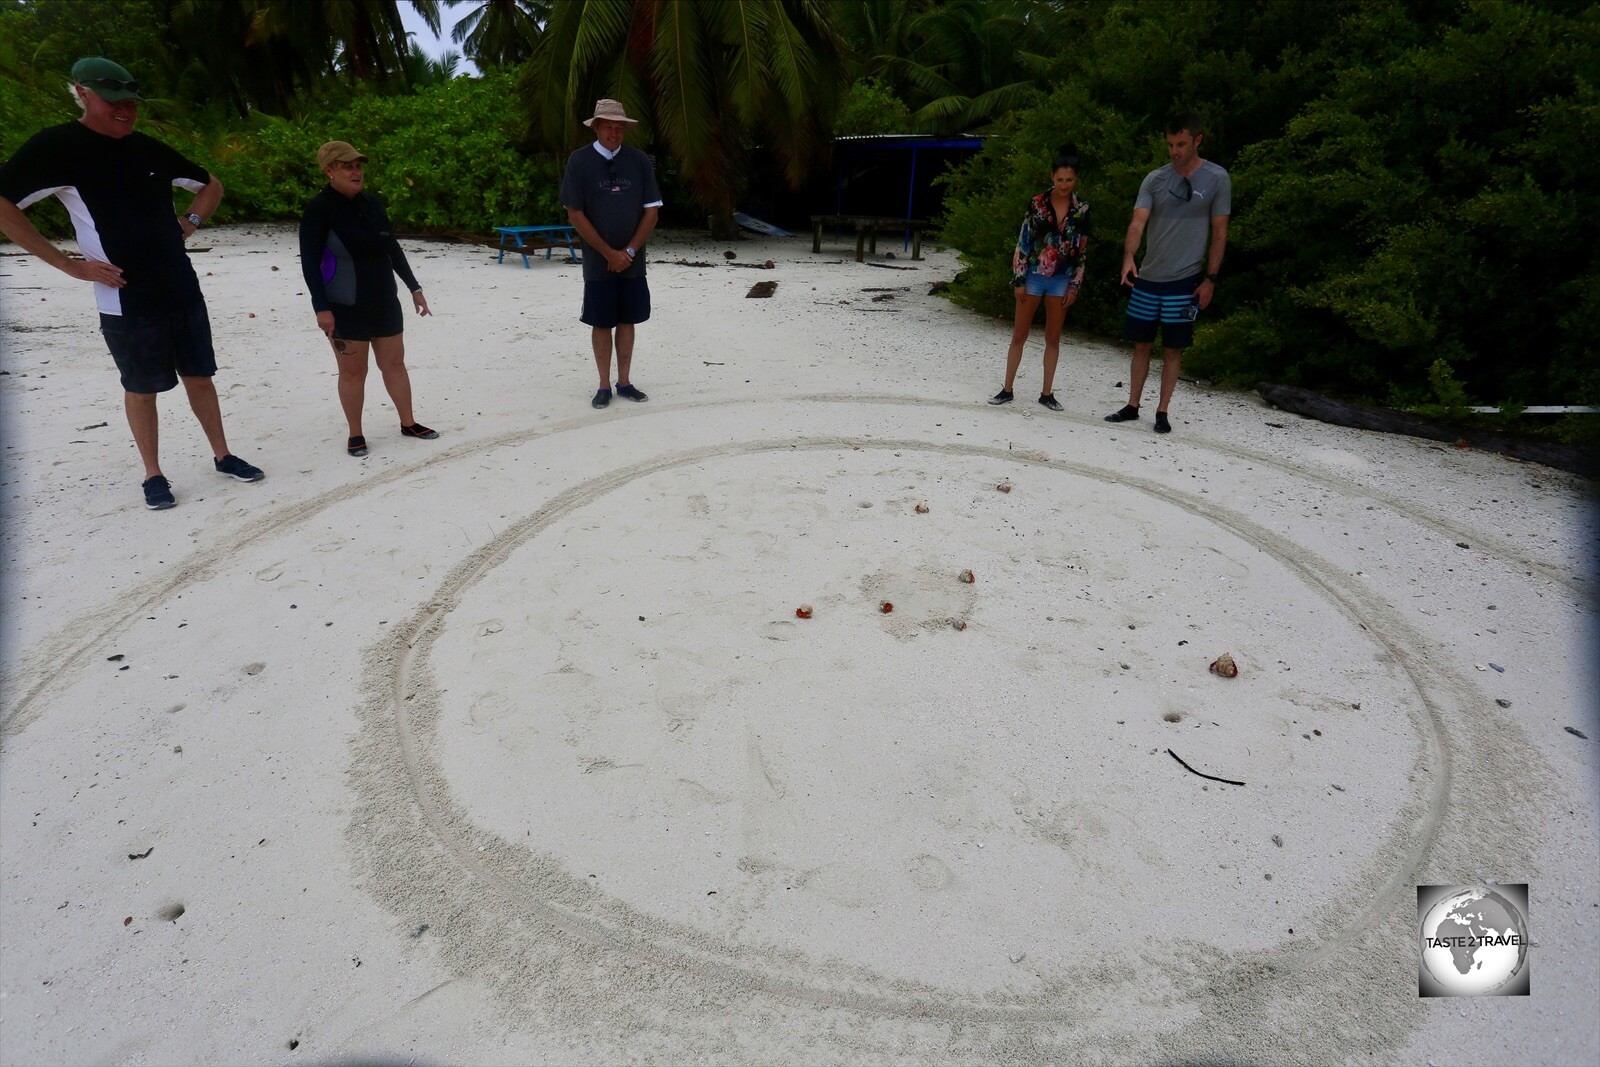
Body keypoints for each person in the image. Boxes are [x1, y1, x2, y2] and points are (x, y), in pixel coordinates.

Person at [0, 57, 264, 509]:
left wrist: (191, 221)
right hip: (124, 294)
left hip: (180, 283)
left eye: (131, 103)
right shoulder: (57, 147)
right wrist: (69, 265)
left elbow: (211, 184)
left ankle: (223, 455)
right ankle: (153, 473)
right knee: (141, 386)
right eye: (114, 101)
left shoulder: (147, 148)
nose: (126, 110)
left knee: (200, 375)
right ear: (82, 93)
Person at [298, 141, 437, 457]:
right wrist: (321, 308)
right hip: (344, 305)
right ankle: (356, 434)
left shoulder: (373, 204)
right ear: (329, 170)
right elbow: (309, 262)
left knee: (395, 364)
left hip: (384, 300)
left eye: (358, 165)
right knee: (352, 372)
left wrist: (414, 287)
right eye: (347, 166)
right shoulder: (319, 209)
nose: (356, 171)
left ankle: (409, 422)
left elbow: (392, 248)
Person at [1106, 113, 1231, 435]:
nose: (1174, 151)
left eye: (1181, 144)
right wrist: (1129, 256)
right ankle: (1133, 405)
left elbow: (1219, 233)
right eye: (1170, 144)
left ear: (1197, 141)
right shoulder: (1155, 179)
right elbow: (1138, 222)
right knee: (1141, 344)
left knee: (1172, 348)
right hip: (1149, 278)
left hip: (1185, 280)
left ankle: (1162, 411)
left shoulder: (1217, 178)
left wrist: (1210, 279)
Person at [560, 99, 662, 409]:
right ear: (597, 128)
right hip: (597, 260)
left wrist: (628, 251)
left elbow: (652, 211)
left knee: (628, 320)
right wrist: (608, 252)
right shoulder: (579, 161)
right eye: (608, 127)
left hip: (632, 260)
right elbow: (574, 214)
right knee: (601, 322)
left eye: (619, 128)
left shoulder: (639, 160)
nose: (614, 133)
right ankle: (603, 384)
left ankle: (625, 381)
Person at [989, 145, 1089, 411]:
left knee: (1053, 338)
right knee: (1019, 334)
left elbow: (1081, 250)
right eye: (1059, 180)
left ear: (1075, 179)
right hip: (1033, 275)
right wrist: (1018, 280)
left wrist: (1075, 285)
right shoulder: (1036, 203)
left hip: (1061, 279)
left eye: (1069, 180)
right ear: (1051, 177)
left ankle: (1047, 393)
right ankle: (1007, 388)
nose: (1064, 184)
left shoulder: (1082, 209)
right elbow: (1024, 241)